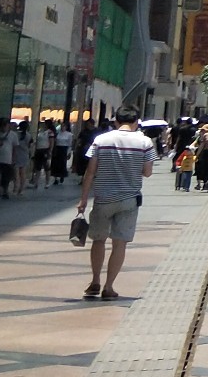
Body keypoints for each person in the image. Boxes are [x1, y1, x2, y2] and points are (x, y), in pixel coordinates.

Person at [75, 108, 154, 300]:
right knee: (120, 243)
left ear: (116, 121)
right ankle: (109, 287)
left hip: (103, 199)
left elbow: (90, 172)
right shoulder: (145, 142)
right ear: (136, 122)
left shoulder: (101, 140)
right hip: (129, 200)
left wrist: (83, 199)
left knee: (98, 240)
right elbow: (147, 172)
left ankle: (95, 280)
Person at [52, 121, 74, 185]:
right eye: (61, 126)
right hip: (57, 149)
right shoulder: (58, 134)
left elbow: (70, 144)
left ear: (66, 127)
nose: (62, 127)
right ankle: (56, 178)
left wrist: (68, 152)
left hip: (64, 149)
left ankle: (62, 175)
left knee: (62, 163)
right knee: (55, 164)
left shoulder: (69, 134)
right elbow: (55, 141)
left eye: (63, 126)